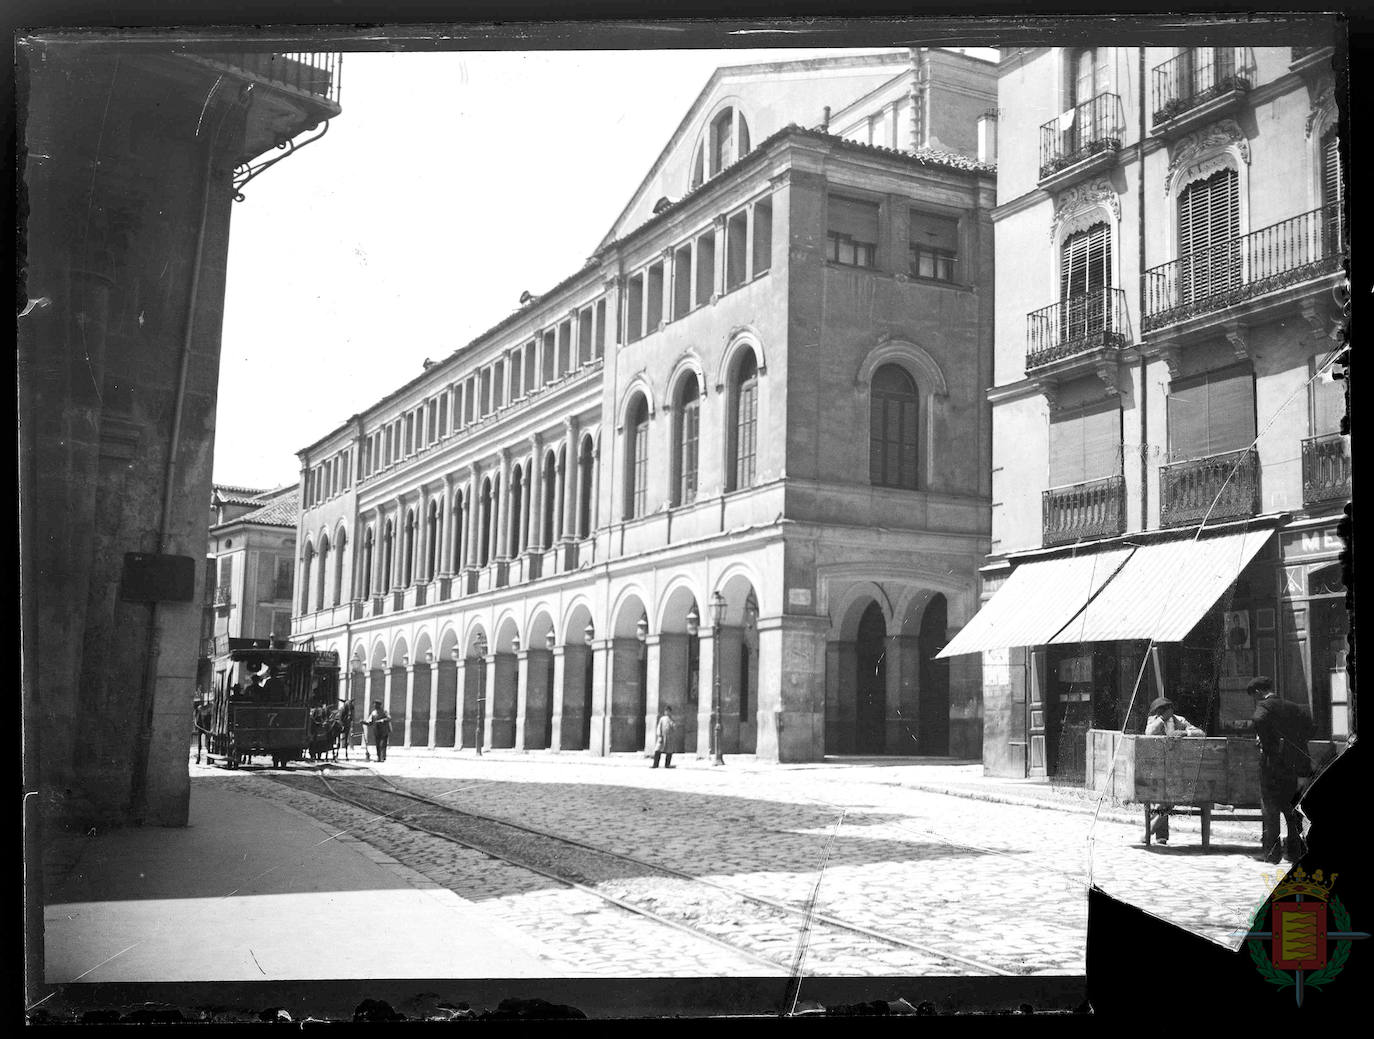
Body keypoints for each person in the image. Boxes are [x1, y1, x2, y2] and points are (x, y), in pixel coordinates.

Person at [1249, 676, 1315, 863]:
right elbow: (1311, 728)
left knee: (1271, 810)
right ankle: (1295, 853)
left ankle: (1273, 854)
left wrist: (1268, 743)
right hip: (1295, 765)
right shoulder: (1293, 707)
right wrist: (1296, 743)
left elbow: (1258, 719)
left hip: (1272, 765)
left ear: (1258, 692)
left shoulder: (1264, 706)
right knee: (1292, 809)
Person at [1142, 696, 1205, 845]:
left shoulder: (1180, 721)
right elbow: (1148, 733)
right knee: (1160, 800)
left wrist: (1185, 733)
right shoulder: (1154, 721)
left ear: (1171, 709)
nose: (1163, 713)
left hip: (1177, 766)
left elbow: (1200, 733)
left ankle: (1151, 831)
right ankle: (1160, 835)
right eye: (1160, 711)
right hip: (1158, 765)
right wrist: (1160, 720)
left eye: (1165, 710)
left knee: (1168, 800)